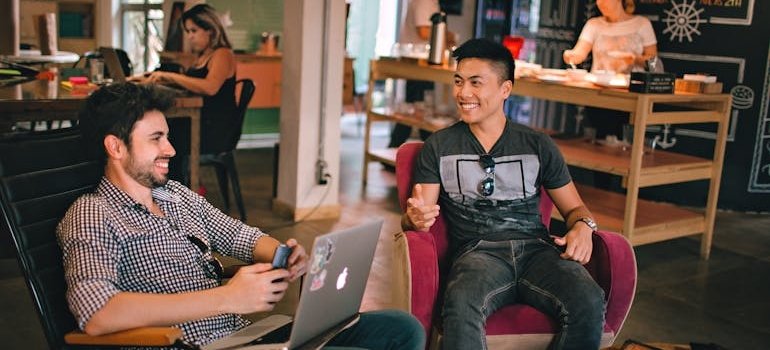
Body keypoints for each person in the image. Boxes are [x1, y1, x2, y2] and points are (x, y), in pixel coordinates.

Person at [57, 82, 425, 349]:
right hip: (192, 345)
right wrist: (227, 298)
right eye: (156, 138)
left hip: (243, 337)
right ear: (115, 146)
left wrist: (282, 254)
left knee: (401, 328)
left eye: (166, 136)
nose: (170, 149)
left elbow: (238, 236)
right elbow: (97, 313)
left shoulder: (175, 196)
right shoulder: (93, 213)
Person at [402, 39, 605, 349]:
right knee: (461, 303)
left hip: (539, 251)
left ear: (505, 89)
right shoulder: (439, 146)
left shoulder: (537, 145)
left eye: (475, 83)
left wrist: (583, 227)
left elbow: (576, 209)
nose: (463, 93)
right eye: (458, 81)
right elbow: (418, 217)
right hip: (477, 254)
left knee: (588, 299)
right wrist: (413, 218)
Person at [132, 4, 237, 183]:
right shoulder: (203, 55)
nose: (190, 36)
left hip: (214, 128)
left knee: (164, 136)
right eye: (188, 31)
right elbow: (193, 84)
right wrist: (154, 78)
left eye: (194, 31)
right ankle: (163, 186)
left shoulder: (223, 54)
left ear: (211, 30)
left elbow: (210, 87)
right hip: (202, 120)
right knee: (158, 131)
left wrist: (169, 76)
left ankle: (172, 188)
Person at [562, 0, 658, 139]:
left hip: (630, 93)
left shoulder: (642, 24)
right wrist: (570, 56)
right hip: (599, 92)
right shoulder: (593, 24)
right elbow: (579, 53)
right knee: (599, 140)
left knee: (624, 140)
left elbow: (654, 63)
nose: (600, 3)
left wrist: (634, 59)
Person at [387, 0, 445, 151]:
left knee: (415, 112)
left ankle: (394, 151)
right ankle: (432, 155)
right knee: (420, 111)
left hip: (420, 63)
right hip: (420, 63)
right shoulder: (425, 1)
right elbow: (423, 31)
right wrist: (446, 34)